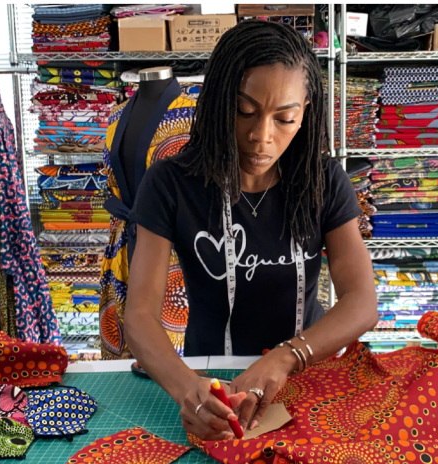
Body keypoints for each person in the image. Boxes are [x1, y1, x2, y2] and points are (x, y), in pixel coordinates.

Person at [125, 21, 378, 442]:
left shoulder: (324, 180)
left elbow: (362, 301)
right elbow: (139, 315)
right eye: (245, 112)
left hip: (304, 369)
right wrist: (187, 388)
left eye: (285, 118)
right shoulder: (171, 183)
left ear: (306, 112)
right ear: (218, 102)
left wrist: (286, 357)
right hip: (212, 375)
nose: (262, 137)